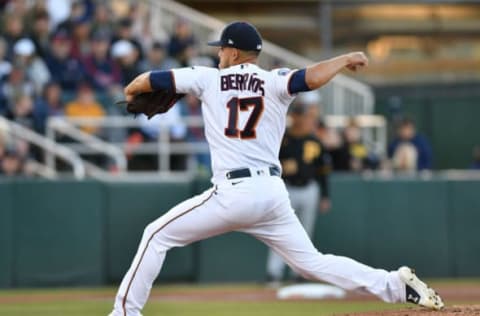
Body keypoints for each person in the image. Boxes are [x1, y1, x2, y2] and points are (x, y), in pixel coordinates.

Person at [109, 21, 443, 316]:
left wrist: (131, 91)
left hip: (232, 194)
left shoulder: (206, 78)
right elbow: (309, 78)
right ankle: (396, 286)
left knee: (156, 234)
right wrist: (343, 59)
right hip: (271, 194)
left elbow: (142, 81)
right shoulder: (274, 81)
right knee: (312, 263)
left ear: (236, 53)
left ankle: (124, 313)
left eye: (223, 49)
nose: (220, 54)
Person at [266, 97, 331, 285]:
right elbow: (268, 162)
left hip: (310, 188)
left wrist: (325, 195)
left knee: (304, 233)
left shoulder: (314, 140)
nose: (301, 119)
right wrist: (281, 167)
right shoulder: (282, 138)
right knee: (278, 232)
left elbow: (323, 171)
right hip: (286, 189)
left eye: (303, 115)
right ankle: (274, 273)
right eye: (298, 114)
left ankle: (299, 273)